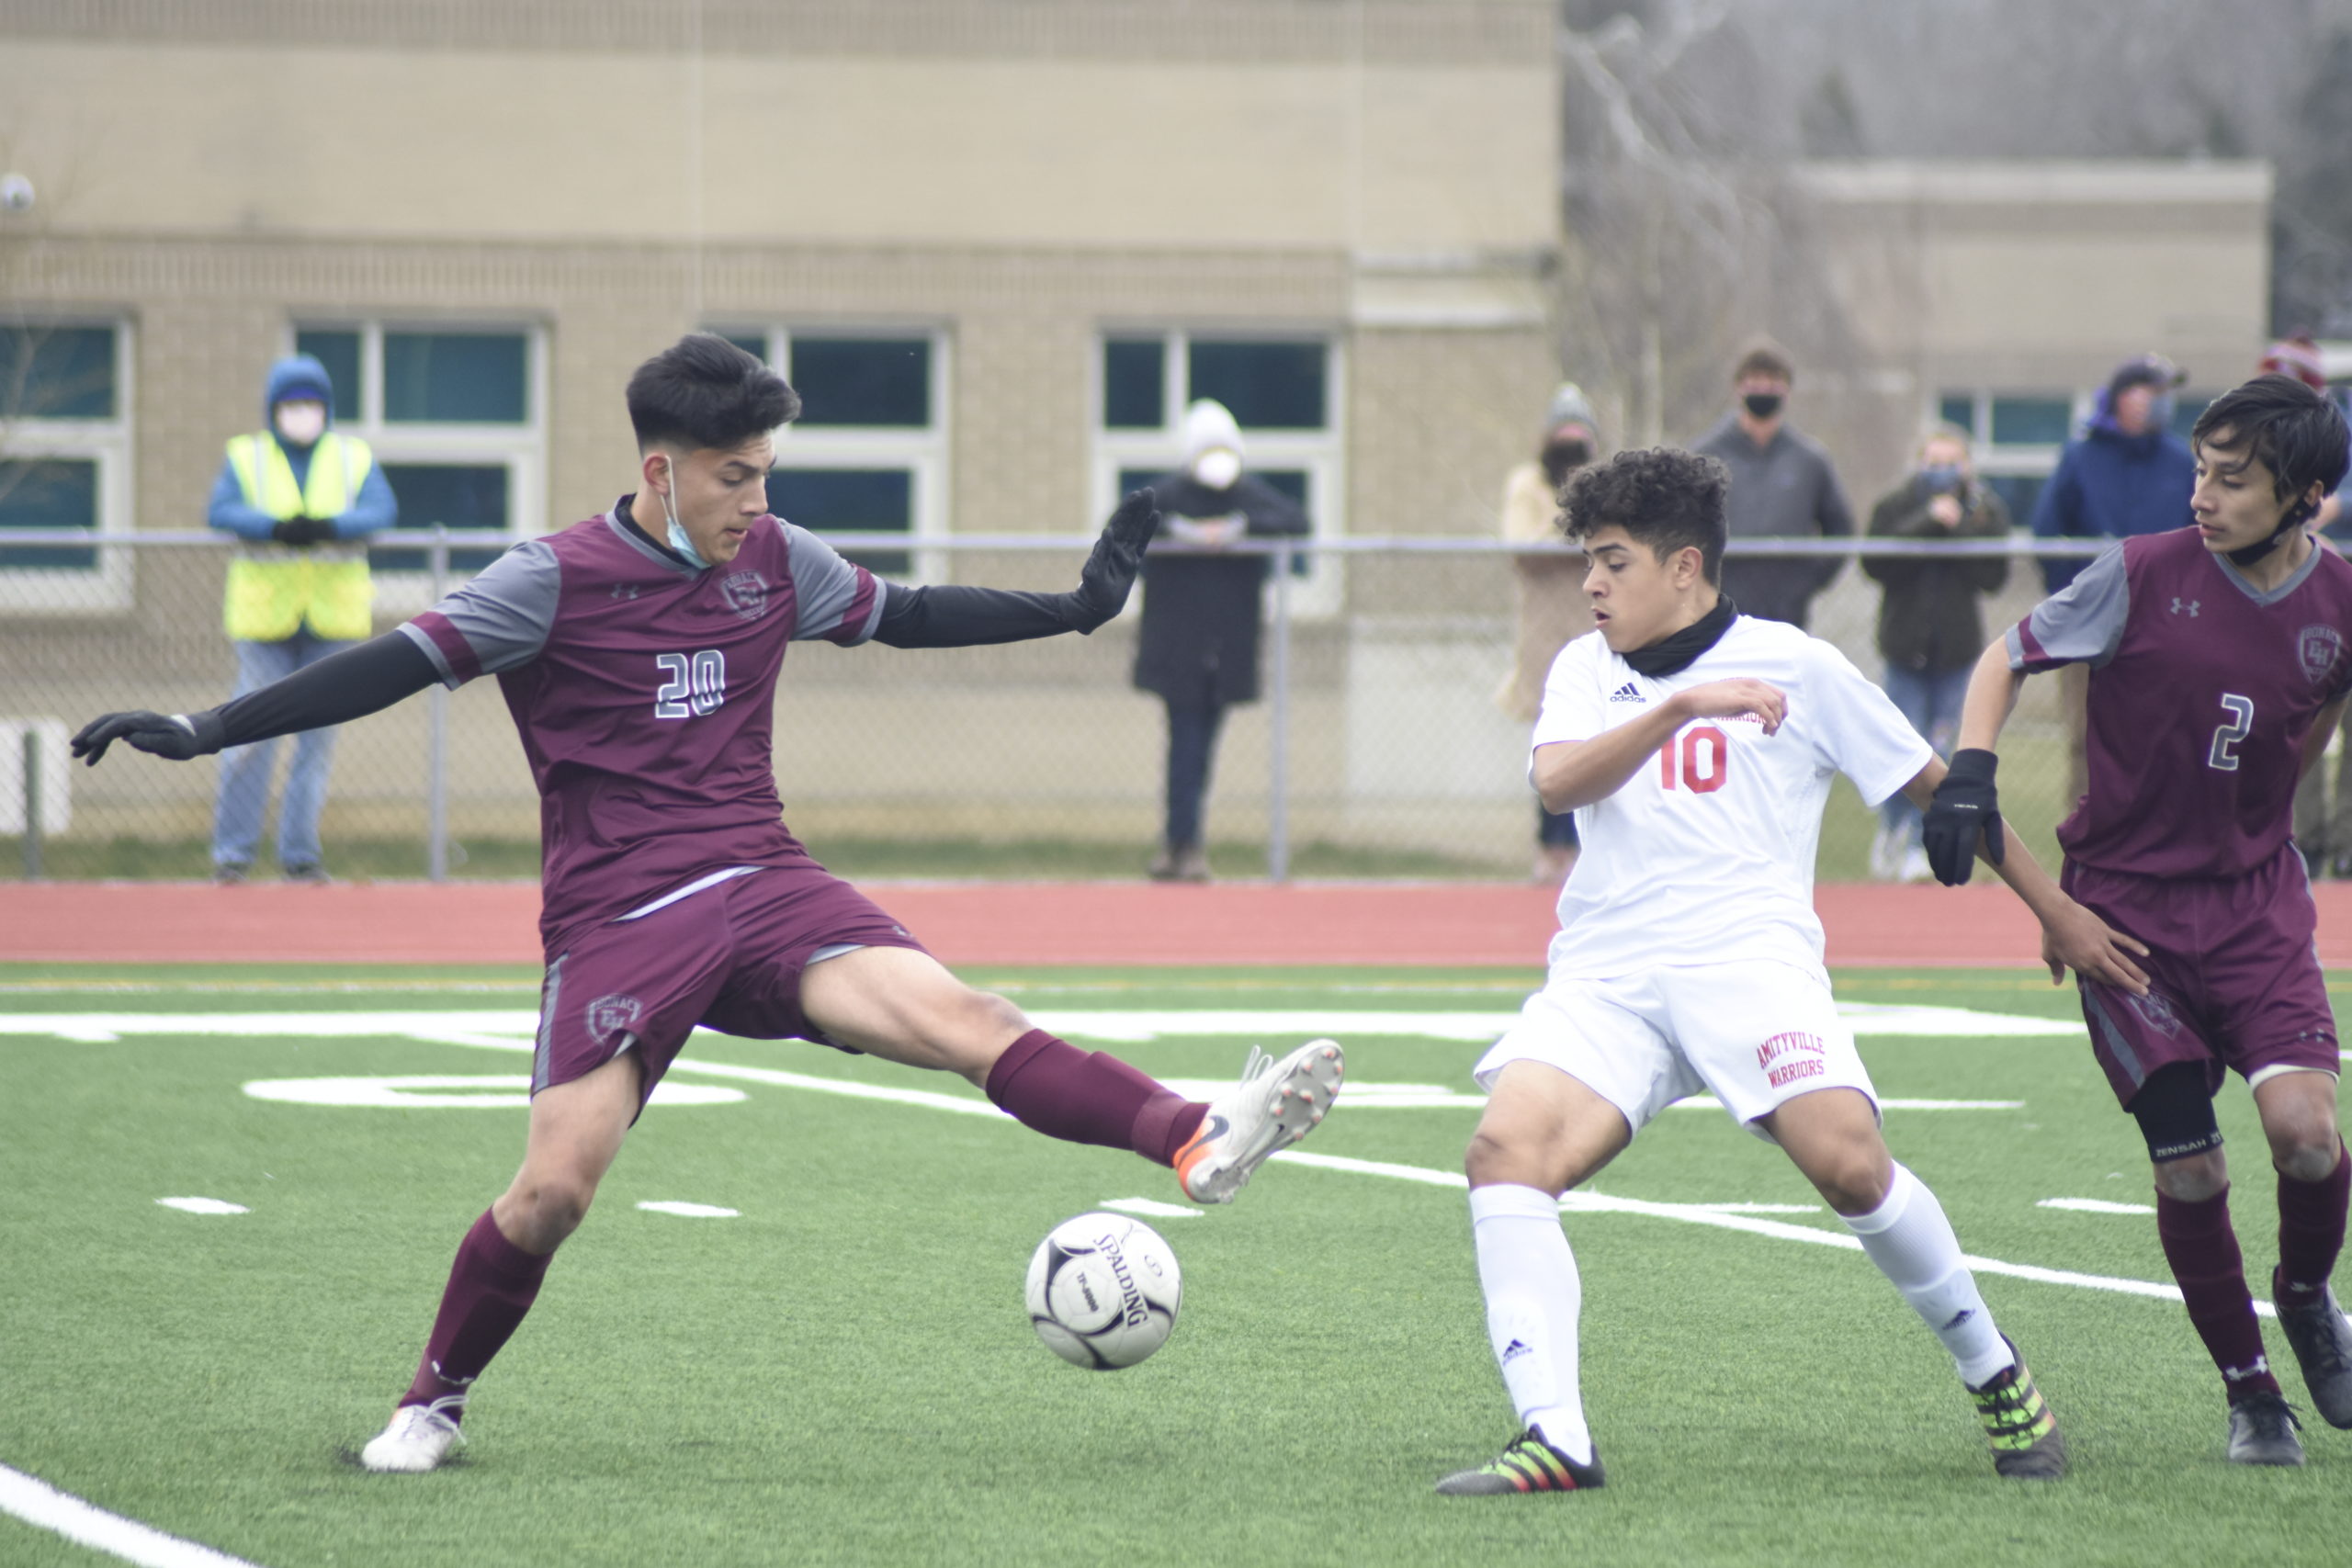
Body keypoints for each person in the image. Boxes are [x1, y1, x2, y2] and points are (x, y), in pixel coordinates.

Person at [73, 334, 1347, 1473]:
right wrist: (207, 727)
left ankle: (1194, 1132)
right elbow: (387, 666)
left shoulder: (777, 560)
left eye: (767, 472)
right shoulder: (551, 578)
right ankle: (433, 1399)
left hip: (767, 879)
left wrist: (1074, 610)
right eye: (736, 474)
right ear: (661, 468)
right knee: (554, 1190)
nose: (760, 499)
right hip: (621, 914)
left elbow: (904, 613)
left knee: (965, 1012)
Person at [1436, 446, 2141, 1496]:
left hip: (1750, 966)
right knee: (1504, 1153)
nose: (1589, 583)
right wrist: (1677, 707)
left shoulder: (1799, 665)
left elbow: (1938, 788)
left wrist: (2053, 911)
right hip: (1607, 978)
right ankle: (1555, 1438)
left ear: (1684, 566)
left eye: (1612, 562)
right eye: (1587, 560)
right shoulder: (1586, 667)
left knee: (1851, 1163)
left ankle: (1994, 1372)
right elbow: (1556, 781)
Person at [1924, 374, 2352, 1467]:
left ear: (2306, 495)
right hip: (2122, 920)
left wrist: (2269, 826)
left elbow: (2305, 727)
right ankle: (2251, 1394)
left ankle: (2304, 1297)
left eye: (2233, 481)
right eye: (2200, 471)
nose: (2202, 495)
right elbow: (2001, 657)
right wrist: (1976, 780)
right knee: (2193, 1171)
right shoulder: (2138, 572)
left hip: (2258, 907)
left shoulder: (2339, 604)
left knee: (2307, 1140)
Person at [204, 353, 398, 884]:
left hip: (331, 621)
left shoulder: (353, 456)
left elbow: (381, 511)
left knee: (316, 744)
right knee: (247, 737)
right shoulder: (246, 456)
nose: (301, 412)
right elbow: (221, 511)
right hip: (264, 621)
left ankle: (300, 856)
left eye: (311, 402)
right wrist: (275, 527)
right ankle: (233, 856)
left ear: (327, 408)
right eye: (291, 403)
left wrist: (329, 526)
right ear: (273, 409)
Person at [1131, 398, 1309, 882]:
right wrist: (1180, 533)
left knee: (1201, 747)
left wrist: (1241, 529)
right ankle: (1181, 842)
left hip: (1227, 647)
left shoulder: (1249, 497)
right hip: (1177, 648)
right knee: (1185, 744)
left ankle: (1184, 841)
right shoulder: (1167, 495)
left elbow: (1296, 519)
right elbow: (1124, 525)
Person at [2030, 354, 2197, 808]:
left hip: (2164, 621)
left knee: (2160, 734)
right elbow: (2046, 531)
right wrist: (2074, 595)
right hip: (2089, 623)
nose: (2163, 403)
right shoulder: (2081, 456)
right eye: (2152, 392)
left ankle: (2153, 836)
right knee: (2086, 735)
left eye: (2167, 394)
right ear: (2124, 398)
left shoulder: (2182, 462)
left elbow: (2200, 536)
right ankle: (2085, 839)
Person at [1860, 424, 2010, 882]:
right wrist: (1928, 520)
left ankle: (1916, 845)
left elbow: (1993, 575)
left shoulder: (1985, 512)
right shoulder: (1897, 504)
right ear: (1919, 463)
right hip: (1905, 650)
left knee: (1941, 752)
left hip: (1957, 654)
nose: (1942, 471)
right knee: (1901, 748)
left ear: (1966, 466)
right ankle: (1891, 831)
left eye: (1951, 462)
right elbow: (1875, 562)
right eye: (1934, 461)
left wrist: (1957, 526)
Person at [1496, 384, 1602, 883]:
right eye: (1563, 433)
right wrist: (1570, 525)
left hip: (1595, 626)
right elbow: (1525, 547)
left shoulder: (1605, 484)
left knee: (1596, 742)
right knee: (1550, 743)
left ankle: (1586, 848)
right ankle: (1549, 847)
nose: (1571, 442)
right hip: (1545, 631)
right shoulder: (1528, 485)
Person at [1688, 339, 1854, 631]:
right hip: (1718, 611)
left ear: (1787, 390)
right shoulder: (1706, 455)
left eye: (1772, 382)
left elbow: (1840, 529)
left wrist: (1808, 580)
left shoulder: (1809, 460)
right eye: (1754, 382)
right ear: (1739, 388)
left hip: (1786, 613)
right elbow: (1679, 524)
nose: (1763, 390)